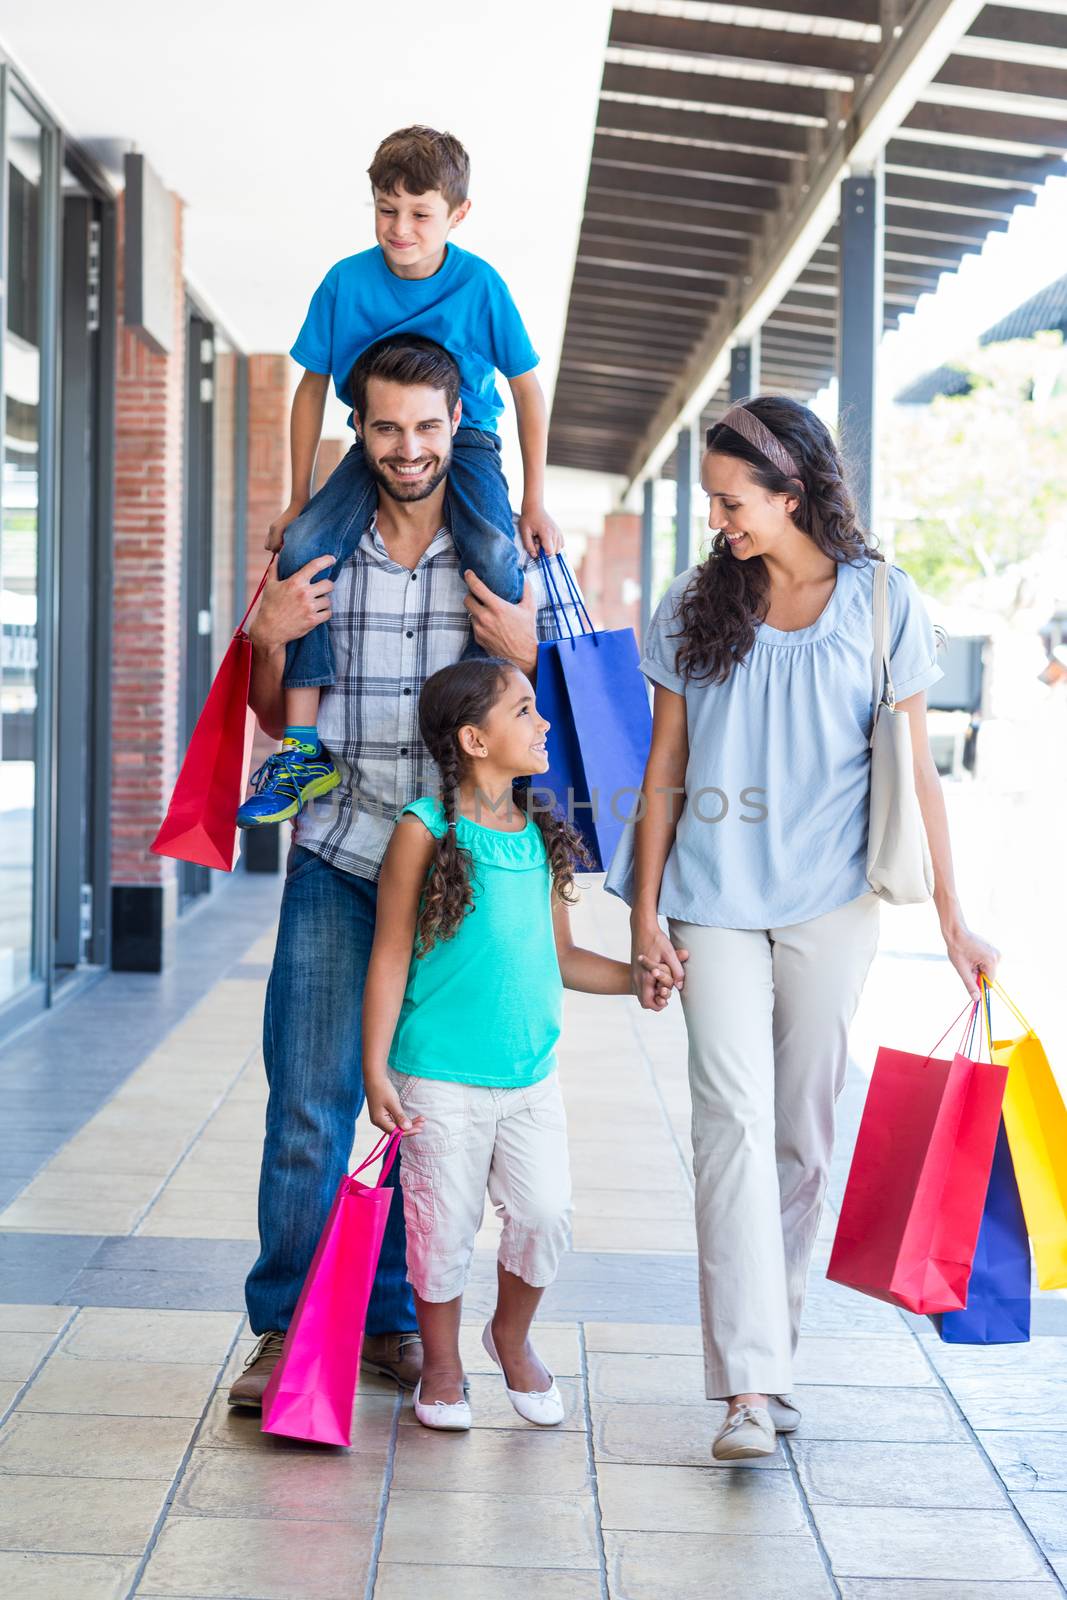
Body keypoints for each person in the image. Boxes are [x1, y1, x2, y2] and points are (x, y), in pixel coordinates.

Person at [607, 396, 999, 1462]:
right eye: (711, 501)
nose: (719, 518)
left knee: (798, 1134)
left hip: (832, 905)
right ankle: (746, 1385)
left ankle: (770, 1355)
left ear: (791, 493)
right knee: (728, 1123)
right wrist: (643, 913)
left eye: (733, 501)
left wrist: (955, 920)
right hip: (713, 900)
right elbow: (664, 767)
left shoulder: (880, 602)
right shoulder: (696, 602)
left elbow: (914, 770)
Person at [227, 337, 586, 1409]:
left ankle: (388, 1324)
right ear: (360, 433)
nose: (407, 448)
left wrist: (526, 644)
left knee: (418, 1115)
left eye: (427, 428)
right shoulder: (315, 555)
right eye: (385, 428)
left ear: (453, 429)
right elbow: (265, 716)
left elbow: (547, 728)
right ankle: (284, 1328)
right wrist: (267, 639)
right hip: (342, 857)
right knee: (310, 1101)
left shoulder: (496, 562)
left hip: (459, 885)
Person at [361, 658, 676, 1430]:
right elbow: (391, 953)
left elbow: (562, 958)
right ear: (474, 739)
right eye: (525, 711)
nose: (542, 725)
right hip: (438, 1076)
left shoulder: (539, 833)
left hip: (530, 1078)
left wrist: (638, 979)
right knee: (439, 1227)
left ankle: (509, 1334)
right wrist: (375, 1068)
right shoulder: (422, 833)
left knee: (544, 1214)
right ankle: (440, 1366)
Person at [236, 124, 562, 830]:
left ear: (456, 215)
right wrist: (297, 497)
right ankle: (299, 747)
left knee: (496, 556)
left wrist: (534, 498)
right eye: (387, 210)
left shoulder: (479, 284)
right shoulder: (345, 281)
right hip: (373, 436)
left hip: (465, 438)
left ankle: (483, 735)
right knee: (305, 548)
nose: (400, 228)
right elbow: (310, 387)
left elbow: (527, 387)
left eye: (420, 213)